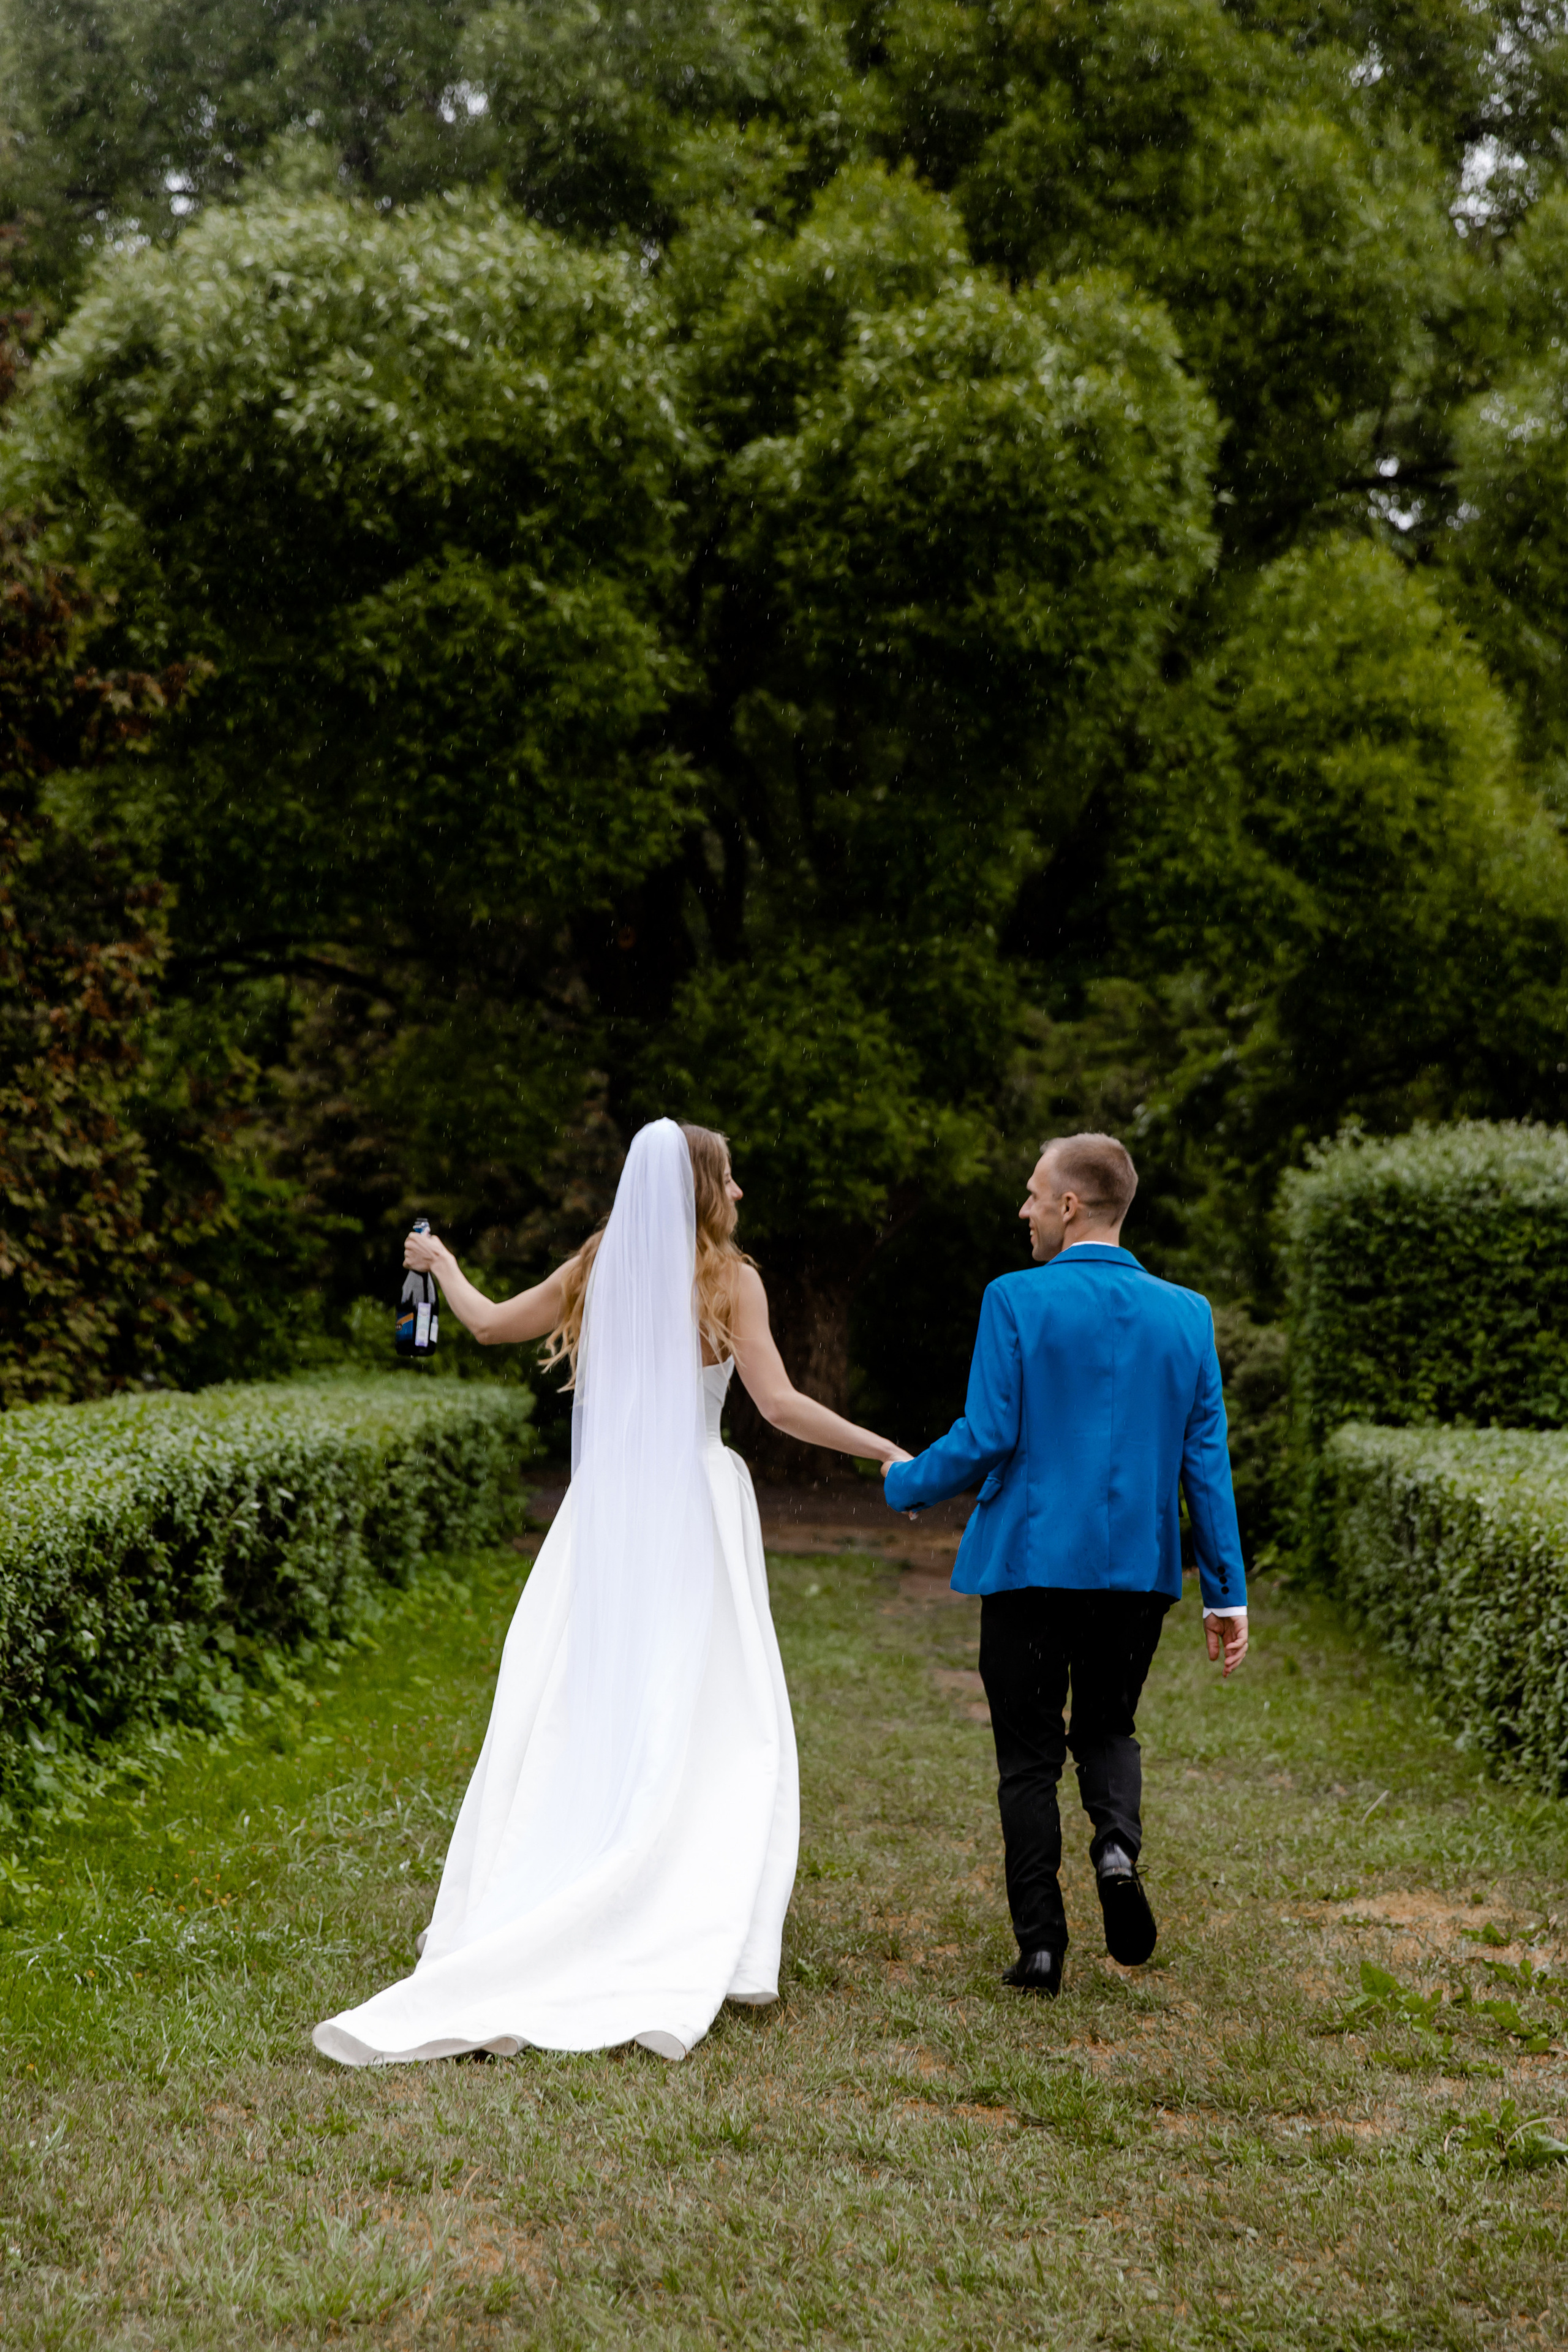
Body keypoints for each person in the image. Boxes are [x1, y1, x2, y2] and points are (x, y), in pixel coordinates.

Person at [314, 1117, 909, 2066]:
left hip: (602, 1516)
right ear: (706, 1189)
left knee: (582, 1693)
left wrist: (442, 1261)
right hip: (694, 1510)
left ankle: (573, 1857)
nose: (744, 1195)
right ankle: (674, 1887)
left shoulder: (600, 1265)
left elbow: (484, 1322)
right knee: (711, 1703)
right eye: (734, 1179)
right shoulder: (730, 1281)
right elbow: (781, 1405)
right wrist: (886, 1448)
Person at [882, 1132, 1247, 1999]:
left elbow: (988, 1434)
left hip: (1030, 1564)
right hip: (1139, 1574)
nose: (1025, 1209)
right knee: (1110, 1730)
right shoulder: (1187, 1314)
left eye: (1034, 1194)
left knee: (1029, 1759)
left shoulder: (1013, 1299)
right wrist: (1225, 1593)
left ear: (1071, 1206)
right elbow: (1207, 1462)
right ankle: (1116, 1850)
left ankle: (1041, 1949)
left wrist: (908, 1483)